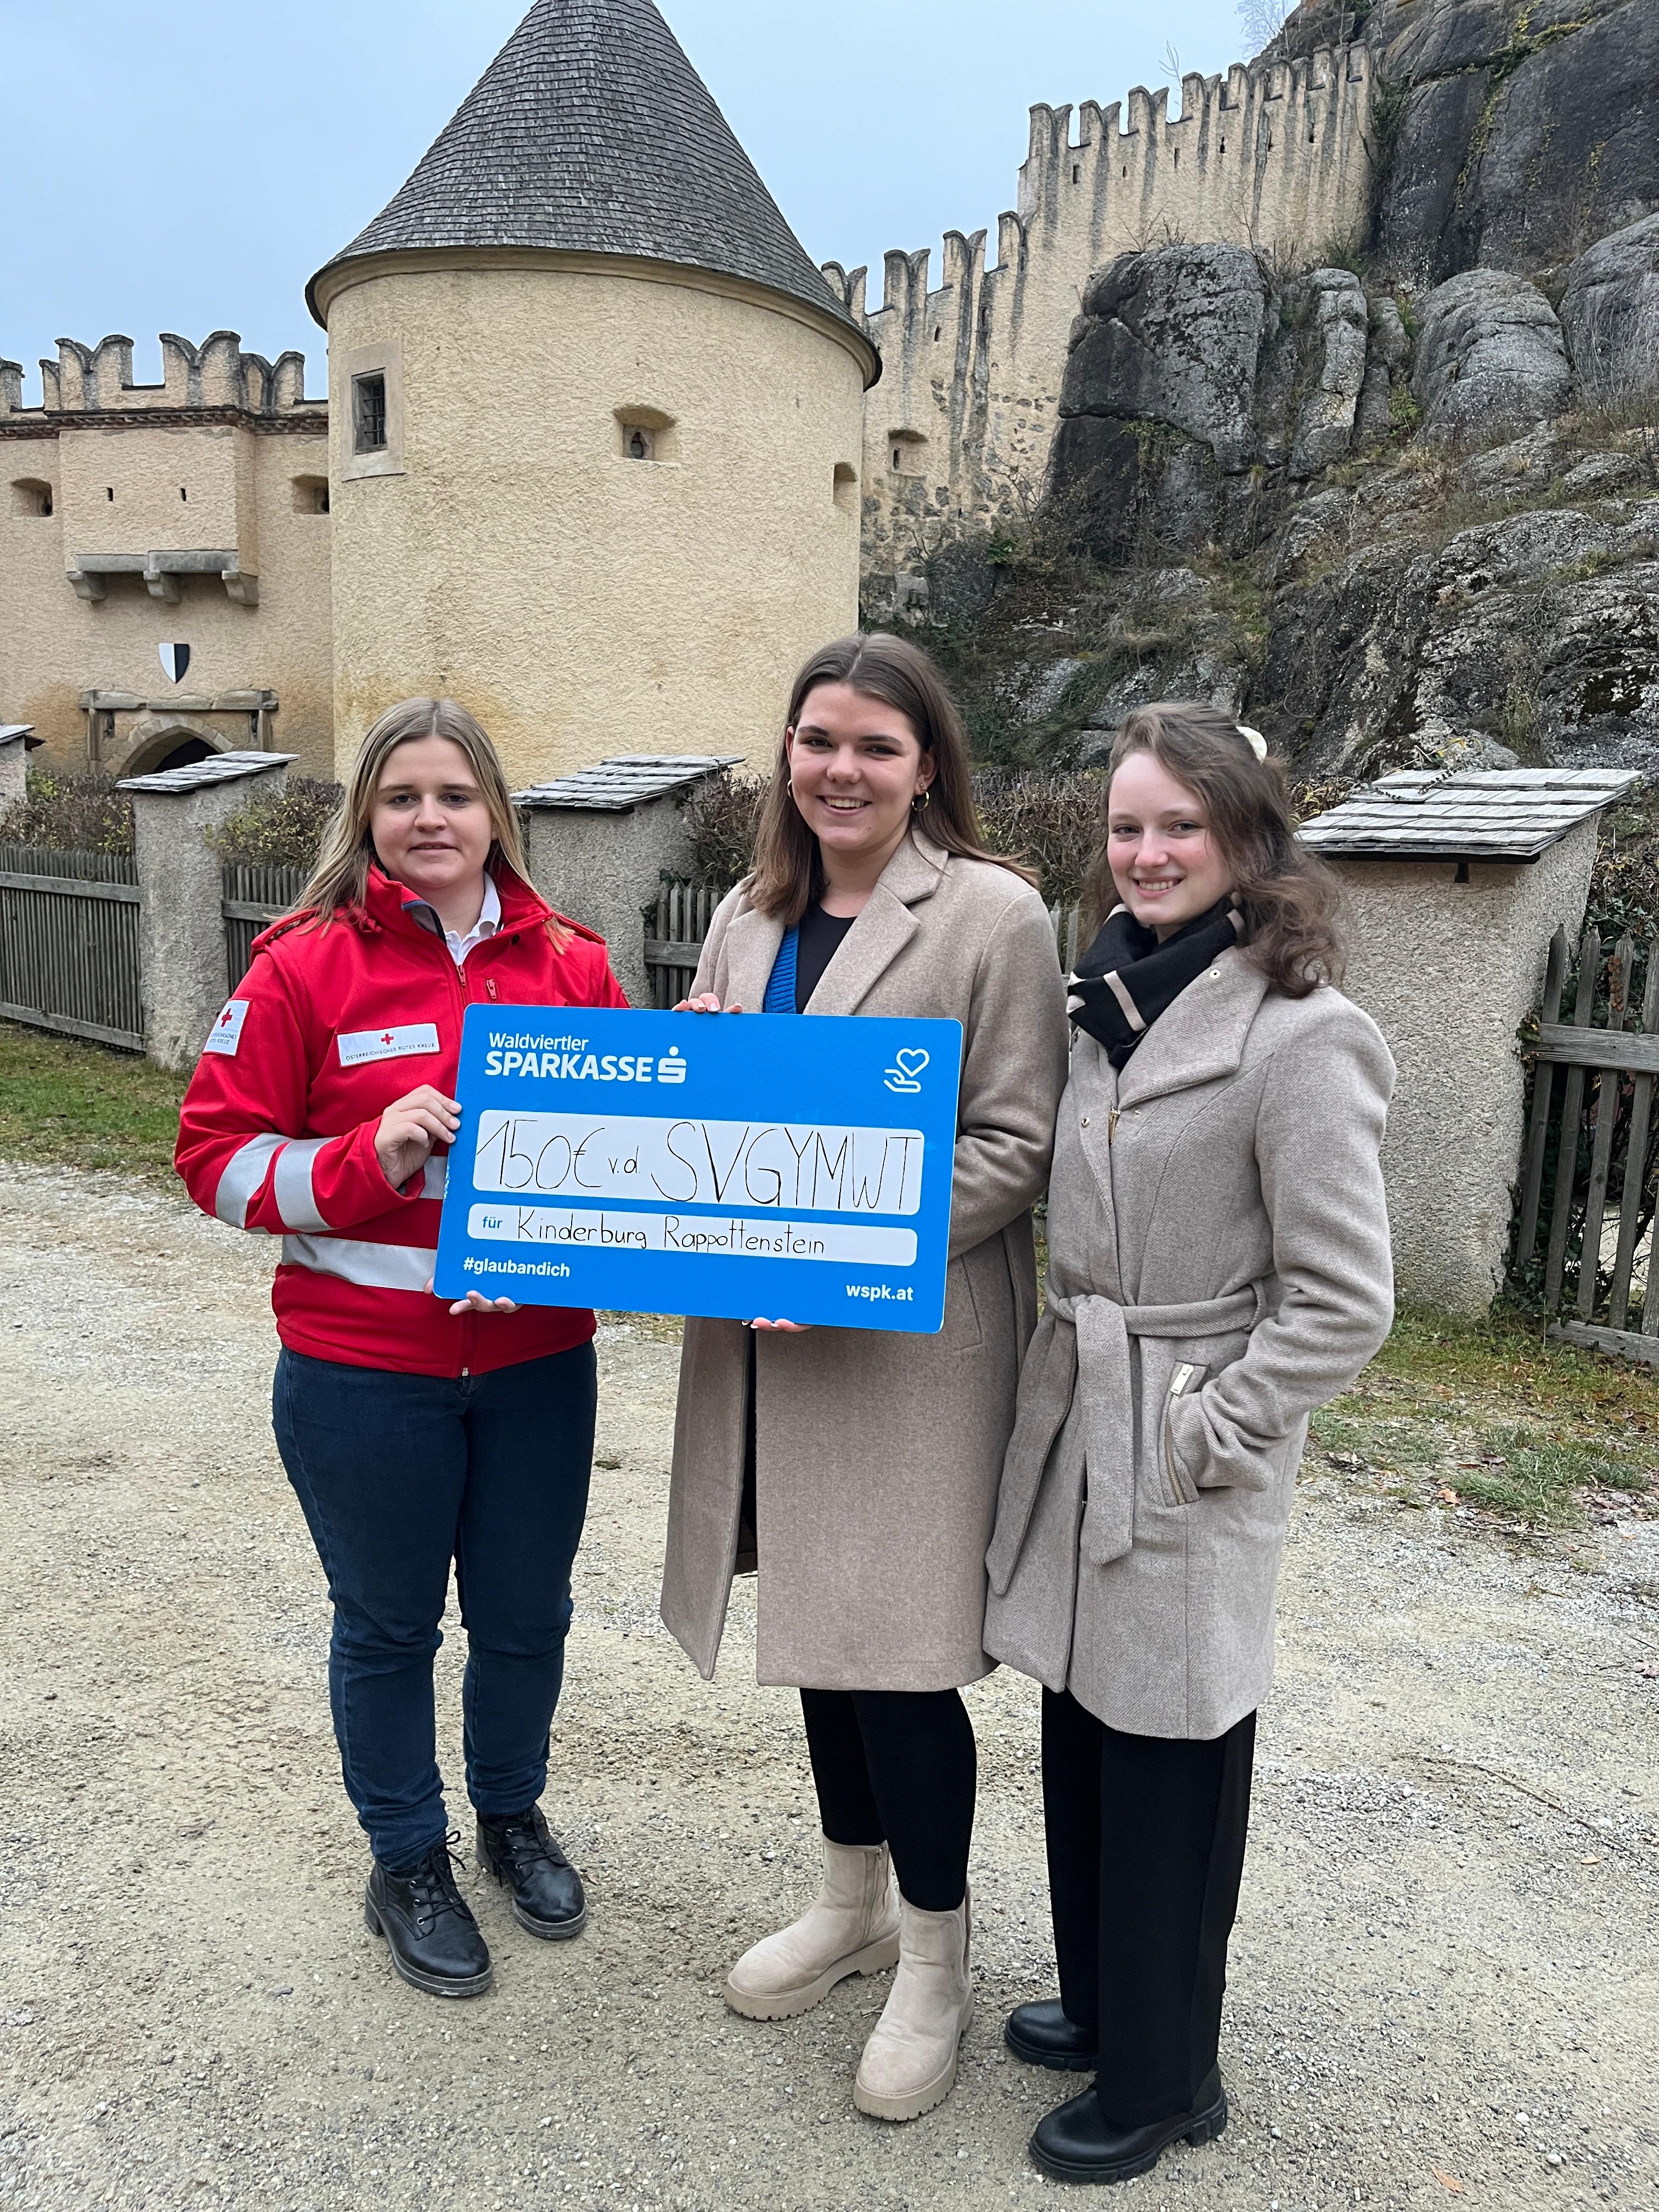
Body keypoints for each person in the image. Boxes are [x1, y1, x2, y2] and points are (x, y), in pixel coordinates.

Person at [983, 703, 1396, 2183]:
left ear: (1243, 841)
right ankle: (1107, 2009)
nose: (1146, 852)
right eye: (1125, 825)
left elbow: (1346, 1300)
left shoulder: (1302, 1033)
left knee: (1174, 1751)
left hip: (1182, 1421)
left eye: (1179, 826)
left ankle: (1164, 2081)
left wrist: (1211, 1427)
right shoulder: (1106, 993)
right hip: (1088, 1398)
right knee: (1090, 1721)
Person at [660, 633, 1070, 2121]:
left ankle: (935, 1960)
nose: (843, 769)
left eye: (876, 748)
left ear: (926, 767)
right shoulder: (750, 917)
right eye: (819, 740)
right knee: (819, 1637)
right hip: (765, 1353)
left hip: (904, 1354)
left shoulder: (993, 917)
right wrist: (692, 1092)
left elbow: (1015, 1153)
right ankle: (850, 1905)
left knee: (897, 1658)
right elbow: (726, 1131)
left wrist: (838, 1253)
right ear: (788, 755)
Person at [176, 697, 628, 2000]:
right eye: (401, 798)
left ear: (498, 814)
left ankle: (510, 1815)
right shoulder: (300, 967)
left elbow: (623, 1185)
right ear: (366, 818)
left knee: (527, 1616)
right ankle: (407, 1857)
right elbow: (213, 1162)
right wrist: (362, 1160)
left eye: (455, 796)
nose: (430, 819)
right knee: (387, 1627)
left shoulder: (576, 967)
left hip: (538, 1368)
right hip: (364, 1373)